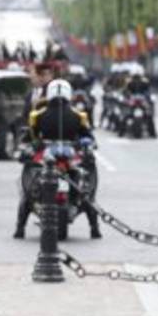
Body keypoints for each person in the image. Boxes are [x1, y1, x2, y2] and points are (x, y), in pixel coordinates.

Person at [17, 79, 99, 240]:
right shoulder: (79, 115)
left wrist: (30, 144)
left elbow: (29, 137)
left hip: (50, 156)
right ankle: (94, 227)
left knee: (28, 192)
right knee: (86, 192)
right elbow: (89, 136)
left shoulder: (37, 115)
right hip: (61, 156)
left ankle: (20, 227)